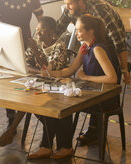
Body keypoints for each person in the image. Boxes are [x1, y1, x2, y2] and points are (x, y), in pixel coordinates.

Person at [55, 0, 129, 144]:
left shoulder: (100, 11)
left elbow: (119, 41)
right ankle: (92, 131)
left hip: (107, 45)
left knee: (100, 83)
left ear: (81, 3)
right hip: (91, 44)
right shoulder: (85, 43)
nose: (67, 8)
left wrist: (124, 69)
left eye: (70, 4)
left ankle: (96, 130)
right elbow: (57, 30)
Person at [0, 16, 70, 153]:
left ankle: (12, 131)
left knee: (34, 101)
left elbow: (49, 70)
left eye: (42, 31)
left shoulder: (60, 46)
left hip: (57, 88)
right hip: (40, 84)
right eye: (36, 30)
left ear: (52, 32)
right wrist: (39, 70)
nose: (37, 34)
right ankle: (14, 132)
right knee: (26, 96)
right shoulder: (37, 44)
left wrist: (36, 53)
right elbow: (26, 64)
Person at [46, 14, 121, 147]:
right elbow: (69, 70)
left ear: (90, 31)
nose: (76, 34)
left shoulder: (97, 49)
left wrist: (85, 77)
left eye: (79, 30)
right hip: (92, 93)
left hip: (103, 98)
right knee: (58, 100)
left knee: (64, 104)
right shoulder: (84, 48)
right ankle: (60, 145)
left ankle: (63, 146)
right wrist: (48, 73)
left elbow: (112, 78)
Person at [0, 0, 46, 132]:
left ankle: (31, 109)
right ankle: (11, 116)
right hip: (5, 43)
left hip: (27, 41)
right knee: (8, 81)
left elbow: (41, 20)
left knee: (28, 76)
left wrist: (40, 37)